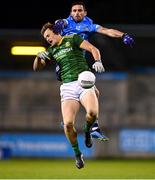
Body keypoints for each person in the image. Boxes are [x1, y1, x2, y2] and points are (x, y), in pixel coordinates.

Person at [54, 1, 134, 141]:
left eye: (80, 10)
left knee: (94, 92)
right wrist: (57, 24)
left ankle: (91, 128)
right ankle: (82, 124)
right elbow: (54, 29)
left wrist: (123, 35)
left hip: (80, 64)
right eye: (74, 10)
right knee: (73, 90)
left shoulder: (89, 25)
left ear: (85, 13)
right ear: (71, 12)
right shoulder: (66, 23)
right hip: (66, 63)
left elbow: (106, 30)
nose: (77, 12)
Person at [33, 22, 105, 169]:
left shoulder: (72, 38)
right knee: (67, 124)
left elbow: (93, 48)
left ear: (55, 32)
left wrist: (97, 60)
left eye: (48, 35)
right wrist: (37, 57)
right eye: (45, 37)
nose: (47, 38)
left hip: (83, 81)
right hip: (68, 87)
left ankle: (87, 131)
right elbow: (37, 68)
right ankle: (78, 154)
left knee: (92, 113)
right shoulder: (51, 50)